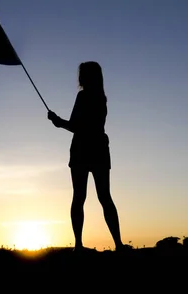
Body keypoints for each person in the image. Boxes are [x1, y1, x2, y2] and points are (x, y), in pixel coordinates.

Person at [47, 61, 127, 252]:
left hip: (82, 149)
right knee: (105, 197)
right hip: (99, 147)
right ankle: (118, 244)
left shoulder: (83, 96)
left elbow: (75, 126)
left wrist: (57, 121)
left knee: (79, 197)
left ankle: (78, 245)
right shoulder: (102, 97)